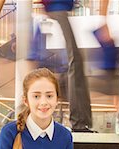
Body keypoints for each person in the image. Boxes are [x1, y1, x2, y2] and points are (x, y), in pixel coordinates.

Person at [42, 0, 110, 132]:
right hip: (57, 9)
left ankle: (81, 121)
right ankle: (79, 122)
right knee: (75, 62)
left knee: (77, 63)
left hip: (60, 9)